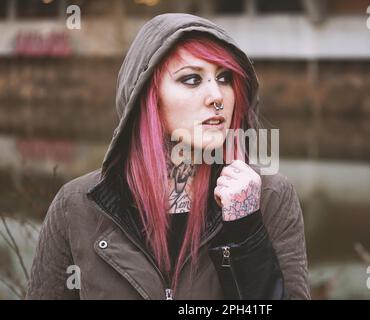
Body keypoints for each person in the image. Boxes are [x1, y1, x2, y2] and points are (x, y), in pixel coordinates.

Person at [26, 13, 310, 300]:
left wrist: (245, 230)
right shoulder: (76, 206)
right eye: (191, 79)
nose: (217, 96)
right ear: (147, 96)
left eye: (224, 78)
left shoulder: (270, 197)